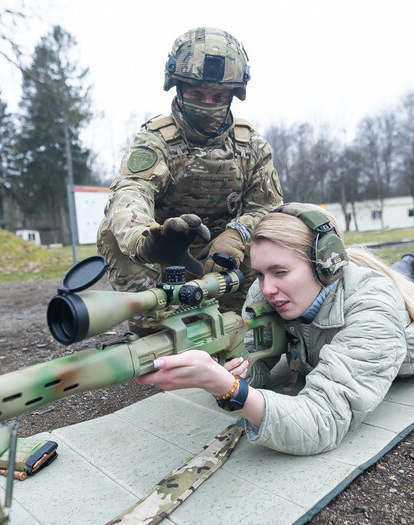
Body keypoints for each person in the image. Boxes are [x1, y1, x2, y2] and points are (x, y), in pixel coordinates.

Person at [137, 203, 414, 456]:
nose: (266, 288)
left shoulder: (374, 306)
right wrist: (230, 363)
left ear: (325, 265)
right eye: (259, 274)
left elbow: (322, 421)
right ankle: (408, 261)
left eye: (280, 272)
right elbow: (255, 362)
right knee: (398, 270)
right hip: (366, 290)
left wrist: (228, 389)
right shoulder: (270, 293)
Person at [97, 27, 283, 316]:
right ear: (179, 88)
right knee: (110, 231)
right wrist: (145, 240)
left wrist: (238, 233)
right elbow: (131, 193)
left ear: (233, 95)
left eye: (218, 96)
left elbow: (269, 207)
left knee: (275, 236)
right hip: (165, 258)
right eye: (197, 93)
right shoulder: (157, 141)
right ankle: (155, 322)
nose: (207, 104)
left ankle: (244, 320)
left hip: (225, 258)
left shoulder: (251, 146)